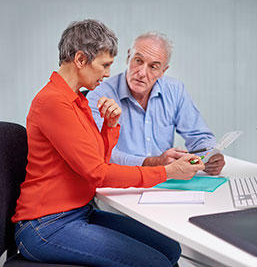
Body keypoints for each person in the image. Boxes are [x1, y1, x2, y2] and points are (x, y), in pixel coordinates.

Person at [12, 19, 204, 267]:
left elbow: (97, 161)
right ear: (81, 60)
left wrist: (110, 127)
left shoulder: (78, 101)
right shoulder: (53, 102)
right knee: (156, 263)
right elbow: (97, 174)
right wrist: (166, 172)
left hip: (79, 212)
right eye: (104, 65)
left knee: (170, 249)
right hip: (46, 225)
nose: (107, 73)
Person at [87, 32, 225, 176]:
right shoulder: (99, 95)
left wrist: (209, 155)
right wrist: (152, 163)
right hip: (120, 182)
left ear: (163, 71)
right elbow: (98, 154)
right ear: (129, 57)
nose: (141, 73)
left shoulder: (174, 90)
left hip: (164, 182)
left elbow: (199, 135)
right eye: (138, 61)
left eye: (153, 67)